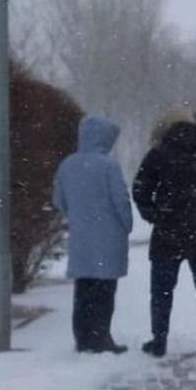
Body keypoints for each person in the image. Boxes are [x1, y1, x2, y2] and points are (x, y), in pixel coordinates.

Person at [133, 107, 196, 357]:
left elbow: (140, 189)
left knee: (162, 290)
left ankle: (159, 341)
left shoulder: (158, 154)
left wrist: (156, 215)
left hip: (168, 232)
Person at [51, 115, 133, 354]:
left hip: (81, 238)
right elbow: (121, 201)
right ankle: (101, 337)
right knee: (104, 290)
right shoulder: (108, 166)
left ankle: (83, 338)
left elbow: (58, 200)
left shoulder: (67, 165)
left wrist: (77, 215)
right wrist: (125, 225)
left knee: (83, 289)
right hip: (108, 239)